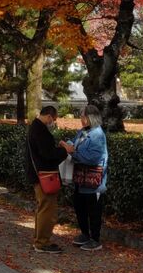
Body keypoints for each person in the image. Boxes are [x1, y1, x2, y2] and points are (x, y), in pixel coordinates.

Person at [26, 105, 74, 254]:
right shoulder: (40, 130)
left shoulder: (36, 127)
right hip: (44, 176)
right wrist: (65, 151)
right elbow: (48, 154)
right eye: (54, 119)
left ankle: (39, 240)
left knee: (43, 208)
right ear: (48, 116)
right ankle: (42, 242)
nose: (53, 122)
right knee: (48, 209)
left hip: (39, 174)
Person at [71, 103, 109, 250]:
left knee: (93, 210)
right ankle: (85, 234)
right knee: (80, 207)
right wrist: (68, 145)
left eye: (83, 116)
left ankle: (95, 238)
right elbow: (75, 143)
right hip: (80, 179)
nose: (81, 119)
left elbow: (92, 158)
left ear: (91, 118)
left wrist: (73, 152)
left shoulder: (98, 134)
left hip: (94, 181)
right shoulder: (83, 131)